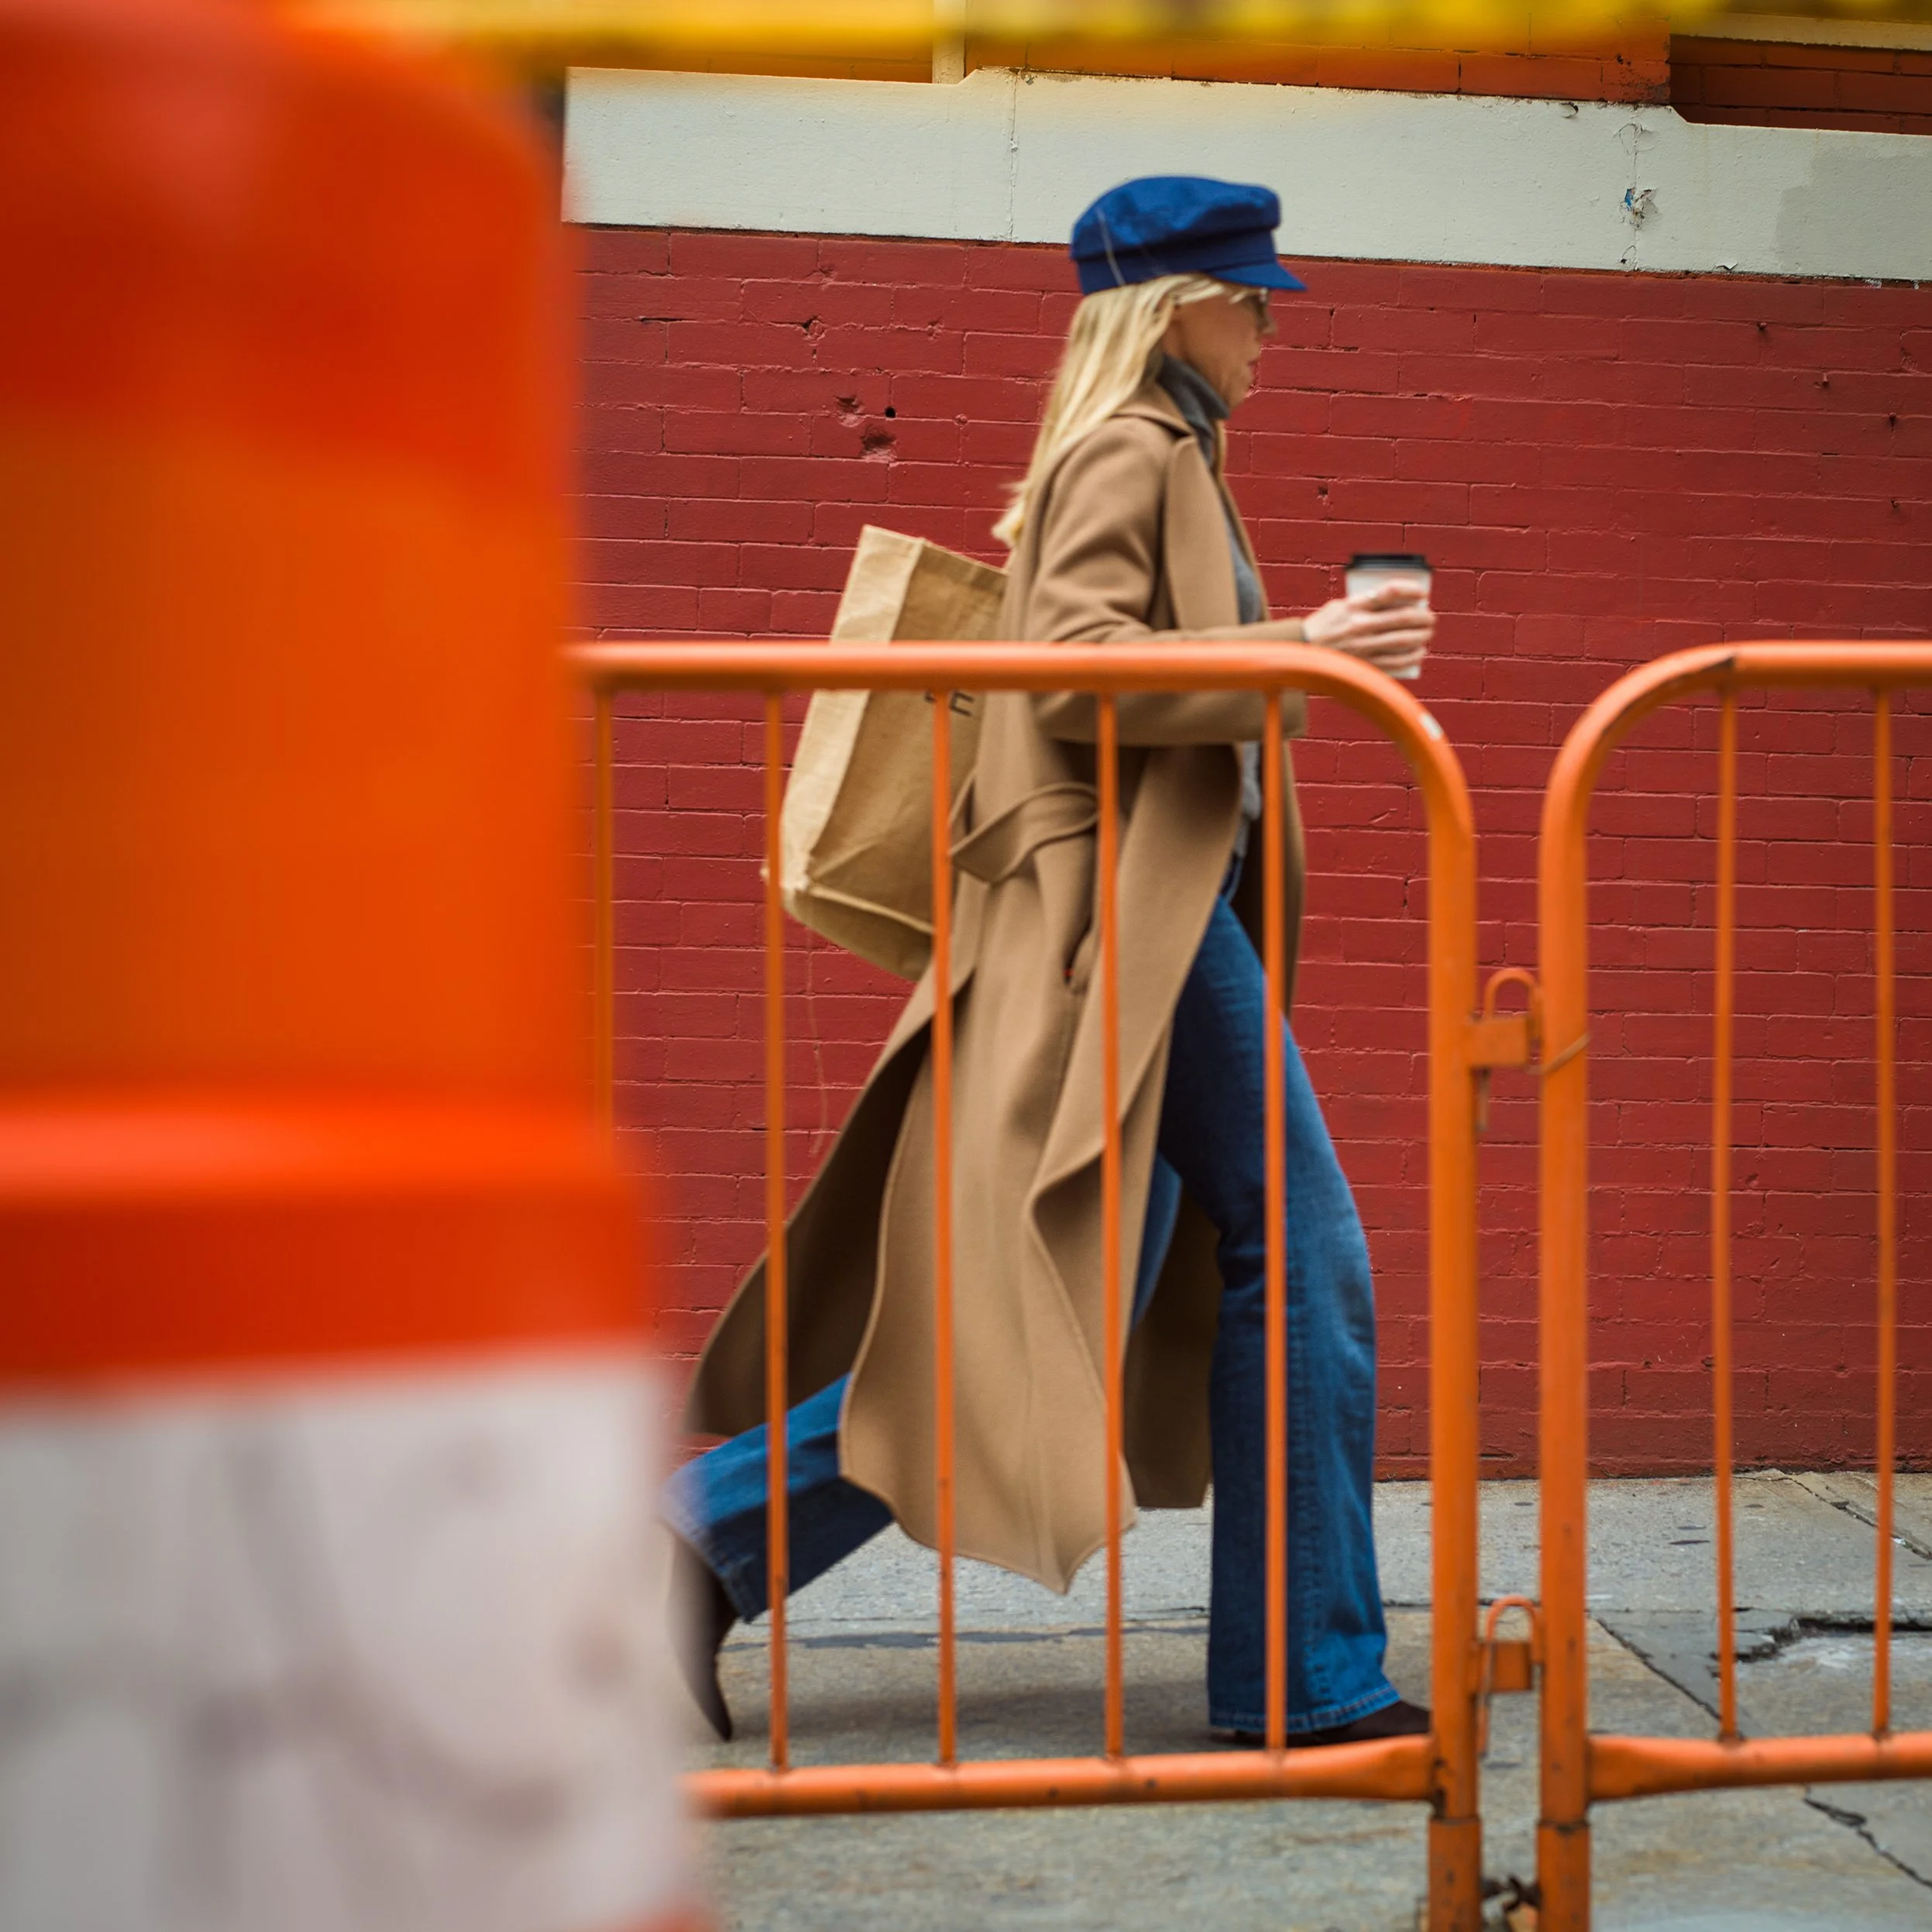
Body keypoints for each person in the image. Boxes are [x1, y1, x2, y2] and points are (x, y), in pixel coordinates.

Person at [665, 175, 1436, 1748]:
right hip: (1129, 923)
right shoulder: (1128, 448)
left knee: (1058, 1309)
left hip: (1152, 917)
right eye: (1250, 299)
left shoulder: (1167, 451)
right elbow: (1071, 666)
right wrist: (1300, 644)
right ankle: (1307, 1674)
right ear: (1176, 310)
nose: (1268, 328)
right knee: (1303, 1252)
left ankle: (694, 1535)